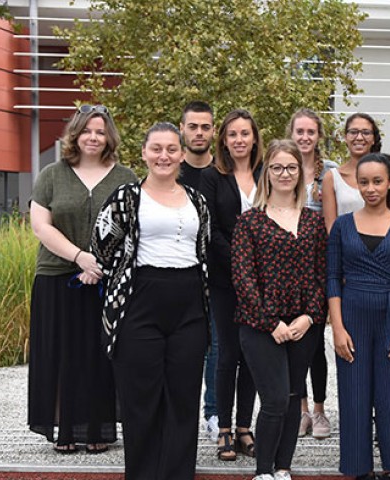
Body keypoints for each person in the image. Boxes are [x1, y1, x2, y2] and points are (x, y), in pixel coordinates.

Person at [91, 122, 210, 480]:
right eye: (156, 148)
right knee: (141, 401)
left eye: (172, 149)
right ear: (143, 153)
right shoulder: (126, 197)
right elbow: (102, 246)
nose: (164, 156)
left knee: (184, 399)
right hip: (139, 302)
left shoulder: (197, 200)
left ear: (182, 154)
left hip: (189, 303)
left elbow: (203, 248)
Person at [28, 104, 136, 454]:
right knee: (62, 353)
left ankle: (98, 430)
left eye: (100, 131)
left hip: (108, 280)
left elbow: (134, 229)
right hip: (58, 276)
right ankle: (66, 431)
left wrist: (101, 264)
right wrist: (80, 257)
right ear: (75, 134)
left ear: (110, 137)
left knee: (100, 354)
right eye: (87, 130)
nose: (94, 137)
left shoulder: (126, 178)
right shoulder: (51, 175)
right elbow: (40, 226)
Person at [233, 139, 328, 480]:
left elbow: (323, 275)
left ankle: (283, 468)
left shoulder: (314, 224)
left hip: (304, 324)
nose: (285, 173)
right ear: (267, 174)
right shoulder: (249, 223)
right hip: (260, 326)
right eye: (277, 167)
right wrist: (272, 322)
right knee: (273, 398)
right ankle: (262, 472)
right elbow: (242, 278)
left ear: (300, 173)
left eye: (291, 167)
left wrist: (308, 316)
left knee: (291, 397)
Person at [328, 153, 390, 480]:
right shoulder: (342, 226)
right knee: (354, 397)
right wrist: (338, 329)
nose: (370, 188)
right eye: (364, 181)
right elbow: (331, 279)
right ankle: (359, 470)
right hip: (352, 314)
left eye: (377, 181)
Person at [200, 108, 262, 461]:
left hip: (261, 282)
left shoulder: (266, 173)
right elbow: (210, 231)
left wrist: (257, 269)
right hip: (225, 279)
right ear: (223, 139)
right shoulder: (213, 177)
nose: (239, 140)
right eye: (233, 134)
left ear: (254, 138)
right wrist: (241, 262)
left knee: (252, 354)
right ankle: (223, 427)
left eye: (245, 133)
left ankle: (244, 428)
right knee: (226, 353)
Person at [287, 109, 338, 440]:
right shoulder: (278, 166)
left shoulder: (330, 172)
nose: (305, 137)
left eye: (310, 132)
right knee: (293, 343)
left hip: (317, 266)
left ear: (319, 135)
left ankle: (320, 411)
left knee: (316, 342)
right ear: (291, 133)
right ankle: (301, 410)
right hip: (285, 268)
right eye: (299, 131)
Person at [178, 100, 220, 441]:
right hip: (178, 276)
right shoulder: (168, 172)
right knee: (182, 349)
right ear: (182, 129)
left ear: (213, 131)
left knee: (217, 348)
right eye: (193, 126)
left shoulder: (223, 174)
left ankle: (214, 413)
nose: (199, 132)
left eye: (205, 127)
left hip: (219, 277)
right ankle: (178, 417)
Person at [321, 113, 380, 232]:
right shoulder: (332, 178)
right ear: (345, 137)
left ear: (373, 139)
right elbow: (331, 228)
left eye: (366, 132)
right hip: (345, 247)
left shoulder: (386, 174)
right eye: (353, 132)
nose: (359, 137)